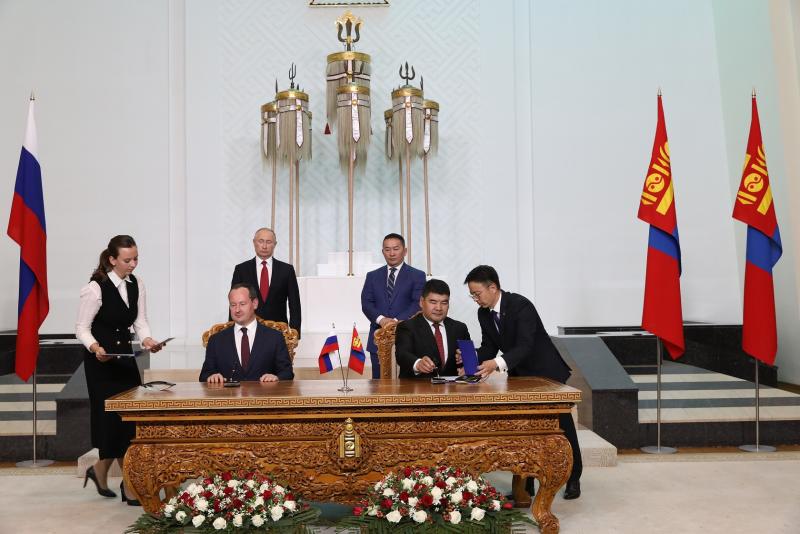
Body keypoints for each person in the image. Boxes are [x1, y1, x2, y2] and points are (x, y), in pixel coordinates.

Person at [464, 265, 582, 501]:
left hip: (545, 374)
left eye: (477, 293)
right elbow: (489, 346)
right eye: (472, 295)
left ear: (493, 287)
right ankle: (525, 487)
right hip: (520, 376)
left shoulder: (520, 305)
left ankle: (573, 477)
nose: (475, 299)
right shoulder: (483, 313)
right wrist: (472, 359)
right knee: (524, 430)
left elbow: (525, 345)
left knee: (562, 427)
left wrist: (495, 364)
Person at [76, 235, 165, 506]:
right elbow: (81, 328)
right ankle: (129, 485)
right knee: (109, 422)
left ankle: (101, 471)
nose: (133, 264)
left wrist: (148, 340)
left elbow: (140, 320)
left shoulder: (137, 284)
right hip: (100, 362)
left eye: (136, 258)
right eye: (127, 260)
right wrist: (95, 347)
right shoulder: (95, 288)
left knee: (129, 421)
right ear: (112, 259)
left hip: (125, 358)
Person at [361, 233, 426, 378]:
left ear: (405, 251)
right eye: (387, 249)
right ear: (382, 251)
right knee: (379, 383)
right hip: (378, 339)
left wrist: (395, 322)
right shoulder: (372, 276)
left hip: (408, 337)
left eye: (396, 249)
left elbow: (417, 303)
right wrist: (382, 320)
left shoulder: (417, 275)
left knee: (408, 384)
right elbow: (366, 303)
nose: (391, 253)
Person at [200, 283, 294, 383]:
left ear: (255, 303)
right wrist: (212, 377)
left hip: (264, 392)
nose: (237, 310)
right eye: (233, 305)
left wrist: (276, 377)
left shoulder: (274, 337)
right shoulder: (216, 340)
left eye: (242, 304)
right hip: (229, 393)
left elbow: (287, 373)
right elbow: (204, 375)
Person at [231, 228, 301, 336]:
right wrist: (232, 332)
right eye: (261, 241)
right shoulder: (241, 269)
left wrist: (294, 334)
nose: (264, 246)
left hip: (279, 331)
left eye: (268, 242)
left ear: (275, 244)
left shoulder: (287, 270)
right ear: (254, 242)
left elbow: (294, 305)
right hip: (248, 330)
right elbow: (234, 301)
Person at [395, 279, 470, 378]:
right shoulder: (407, 327)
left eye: (444, 303)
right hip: (417, 386)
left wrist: (467, 367)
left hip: (453, 386)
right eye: (433, 302)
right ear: (421, 302)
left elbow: (470, 359)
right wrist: (418, 364)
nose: (438, 308)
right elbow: (402, 354)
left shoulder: (460, 328)